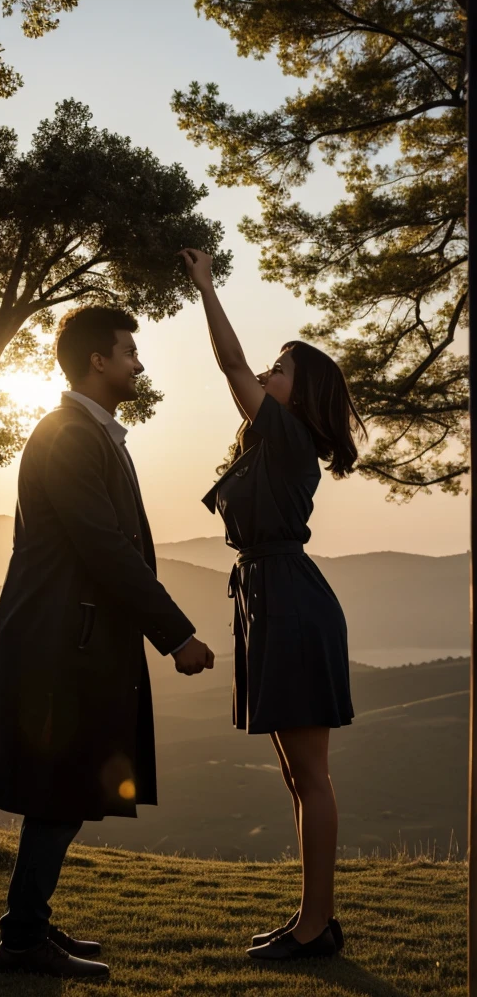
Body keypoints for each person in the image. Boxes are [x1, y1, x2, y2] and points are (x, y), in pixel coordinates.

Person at [0, 304, 215, 980]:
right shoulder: (70, 434)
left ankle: (28, 927)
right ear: (98, 361)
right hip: (61, 647)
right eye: (130, 352)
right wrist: (176, 632)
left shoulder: (87, 432)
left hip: (72, 641)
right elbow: (104, 548)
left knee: (60, 792)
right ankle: (22, 941)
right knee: (61, 791)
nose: (139, 362)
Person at [179, 247, 366, 962]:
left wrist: (207, 288)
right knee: (297, 776)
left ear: (300, 394)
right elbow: (241, 374)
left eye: (280, 368)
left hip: (289, 600)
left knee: (310, 776)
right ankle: (309, 919)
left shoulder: (288, 440)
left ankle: (318, 929)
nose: (265, 370)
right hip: (270, 597)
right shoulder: (270, 443)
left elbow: (229, 364)